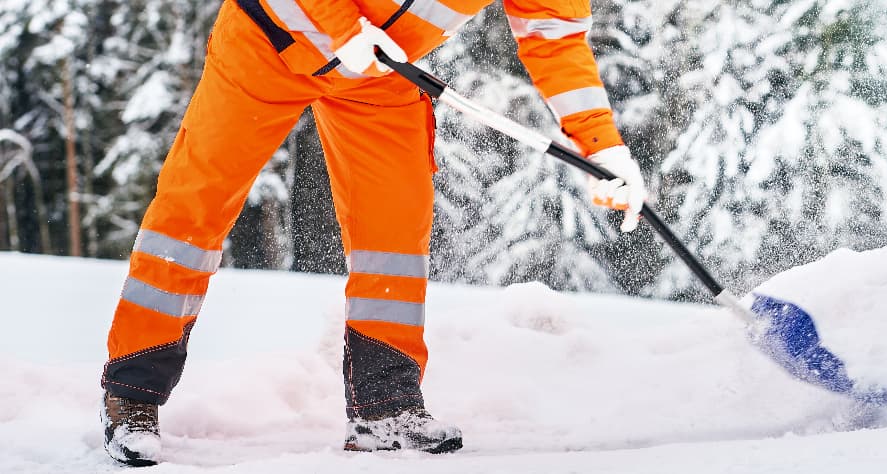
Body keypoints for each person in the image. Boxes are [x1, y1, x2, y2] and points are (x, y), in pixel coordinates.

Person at [99, 0, 646, 466]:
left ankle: (386, 407)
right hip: (268, 43)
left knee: (394, 234)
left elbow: (553, 36)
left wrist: (601, 144)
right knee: (192, 209)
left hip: (378, 72)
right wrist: (341, 29)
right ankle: (132, 392)